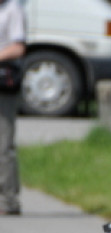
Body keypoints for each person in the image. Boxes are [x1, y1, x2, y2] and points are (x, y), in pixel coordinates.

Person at [0, 0, 25, 216]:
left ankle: (9, 200)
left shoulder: (12, 9)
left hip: (3, 82)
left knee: (3, 144)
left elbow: (18, 47)